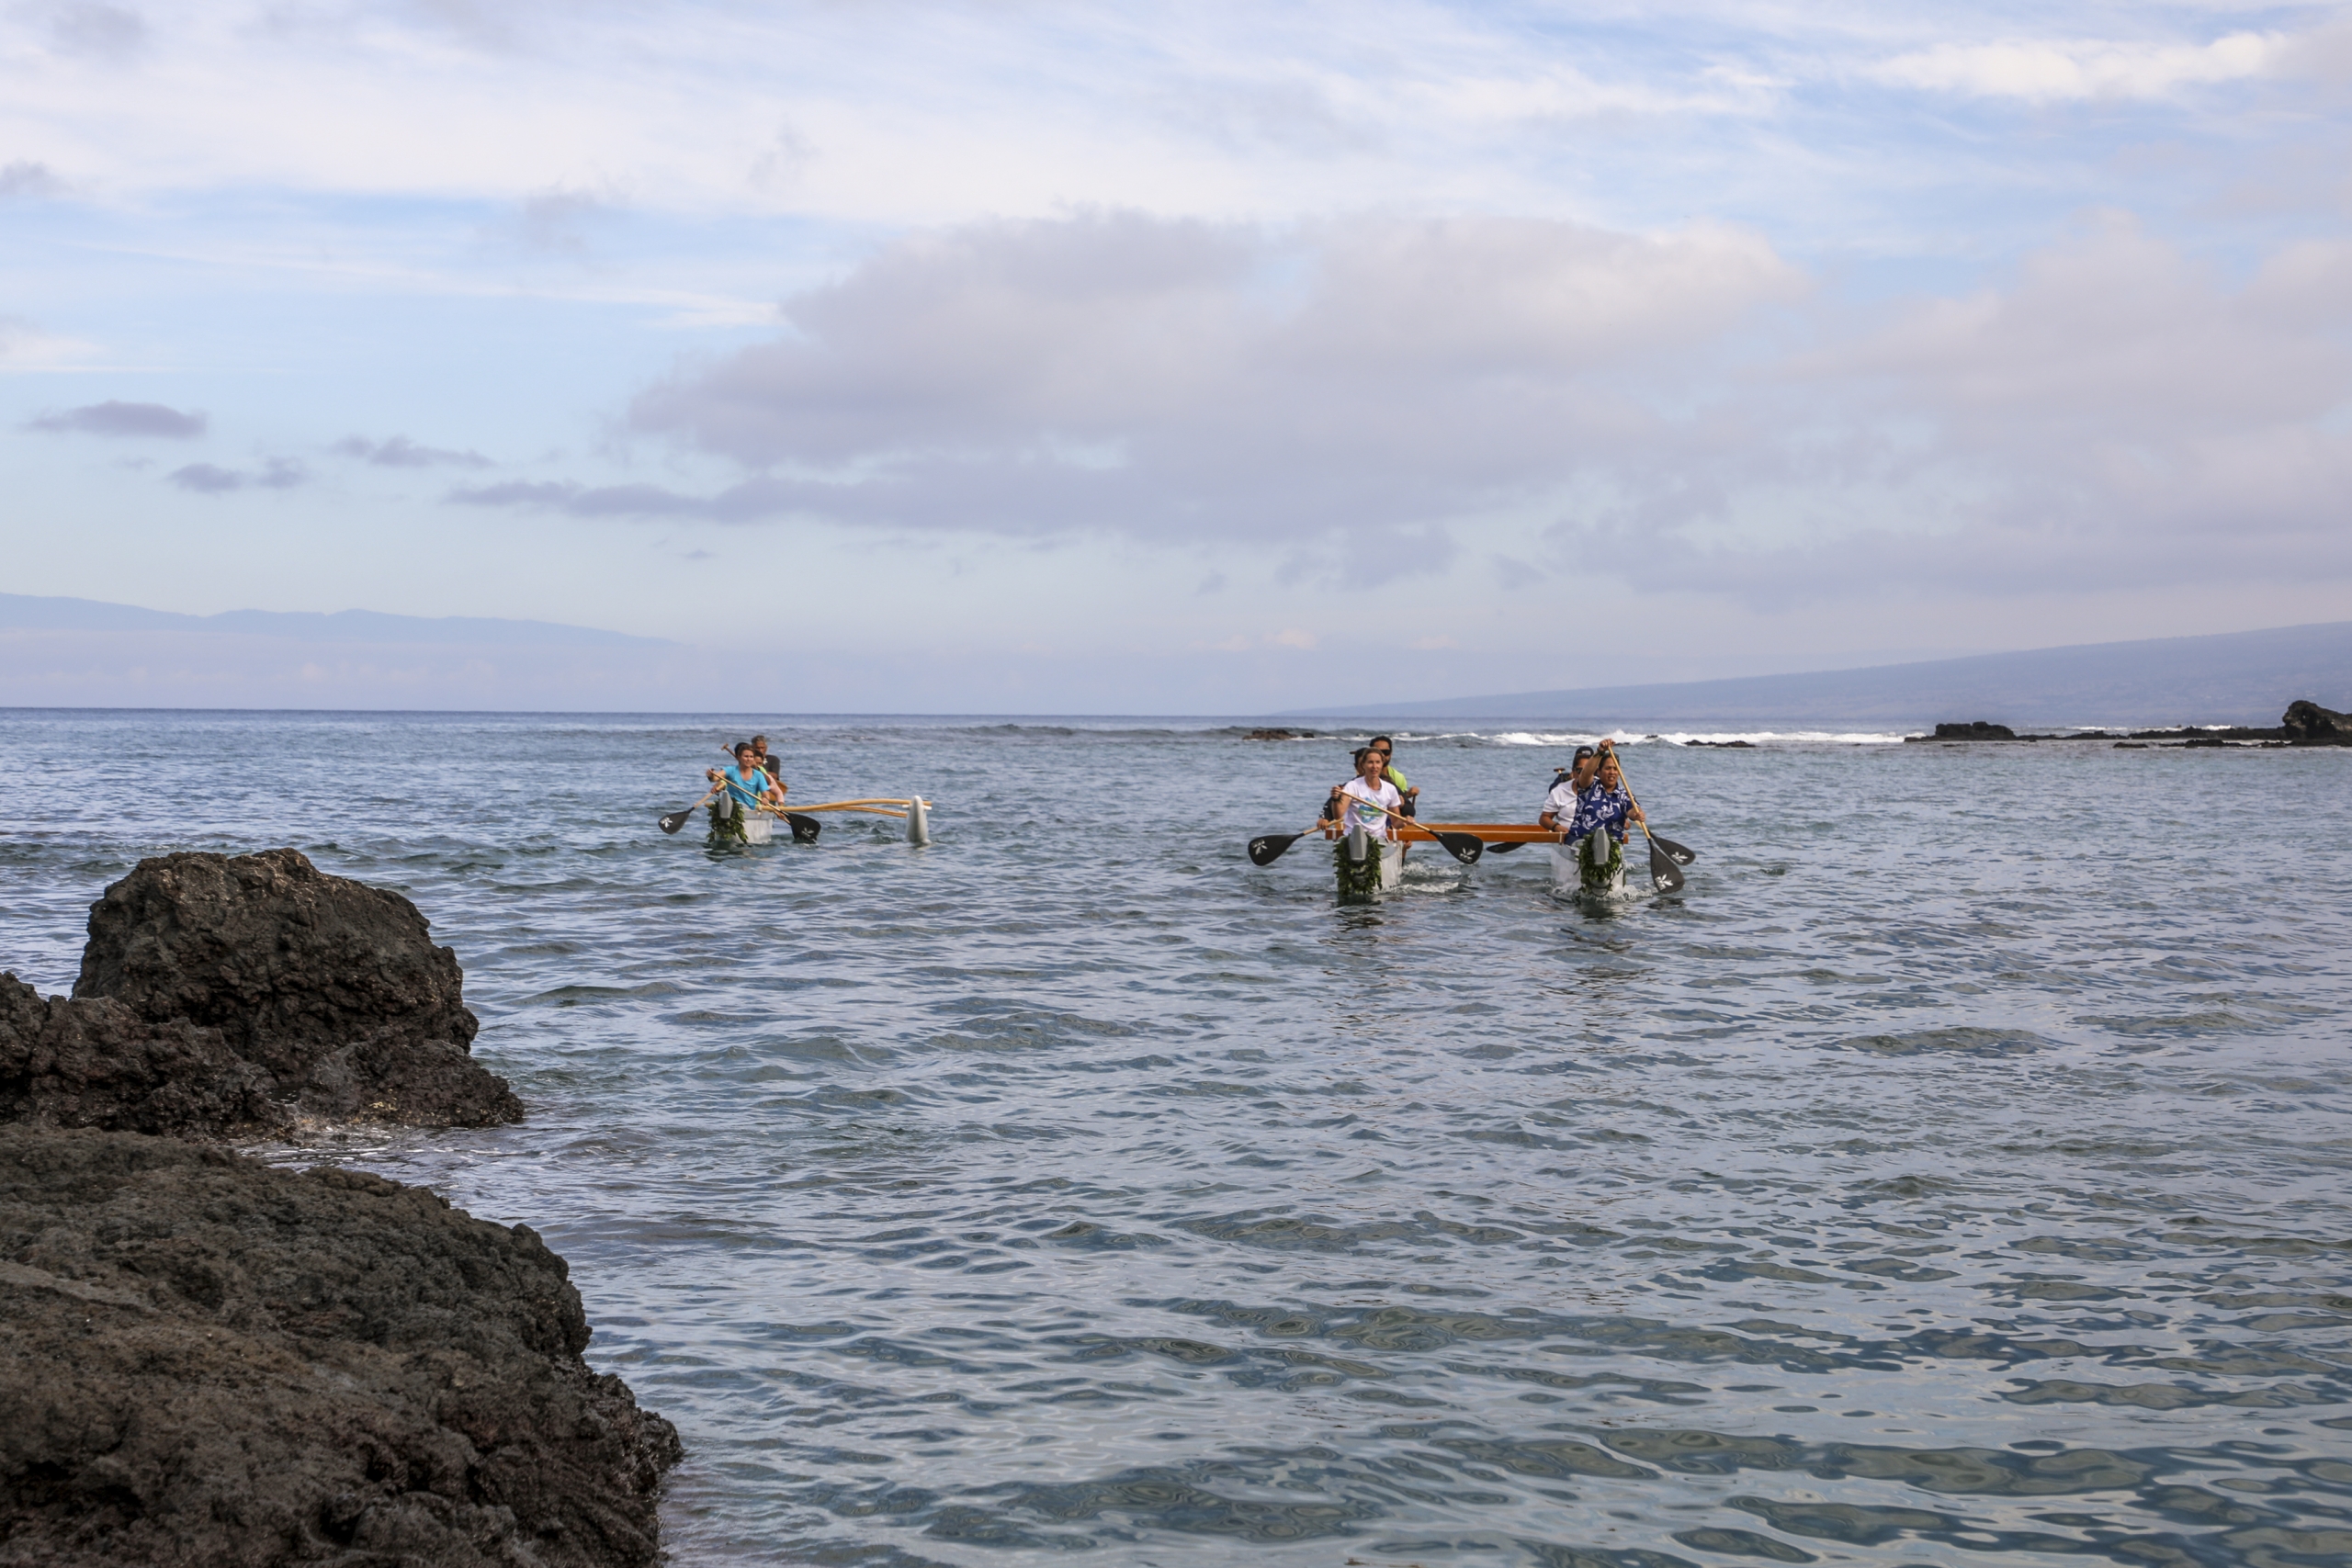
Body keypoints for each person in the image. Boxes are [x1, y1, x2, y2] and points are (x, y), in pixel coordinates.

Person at [1321, 746, 1403, 897]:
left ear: (1382, 764)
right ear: (1363, 765)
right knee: (1354, 837)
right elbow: (1339, 814)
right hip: (1352, 839)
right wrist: (1335, 799)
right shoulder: (1352, 786)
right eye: (1370, 762)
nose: (1374, 766)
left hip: (1378, 840)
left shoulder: (1390, 789)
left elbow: (1396, 822)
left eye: (1378, 762)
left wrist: (1405, 822)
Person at [1564, 750, 1645, 892]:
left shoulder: (1624, 795)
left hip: (1612, 845)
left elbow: (1632, 810)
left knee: (1609, 844)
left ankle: (1609, 881)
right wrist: (1599, 752)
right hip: (1581, 841)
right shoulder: (1587, 786)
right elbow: (1585, 774)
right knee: (1588, 842)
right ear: (1599, 771)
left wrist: (1637, 814)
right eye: (1608, 768)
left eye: (1615, 769)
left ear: (1619, 773)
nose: (1612, 772)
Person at [705, 741, 784, 841]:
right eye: (746, 756)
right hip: (732, 809)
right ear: (738, 757)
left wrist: (765, 799)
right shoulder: (730, 770)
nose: (749, 759)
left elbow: (765, 794)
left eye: (751, 757)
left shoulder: (758, 775)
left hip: (749, 810)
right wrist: (711, 775)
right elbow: (715, 778)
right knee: (724, 797)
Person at [1538, 744, 1599, 834]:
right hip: (1569, 837)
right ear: (1573, 771)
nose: (1584, 774)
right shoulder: (1559, 790)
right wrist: (1556, 827)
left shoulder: (1603, 787)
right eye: (1580, 771)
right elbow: (1544, 818)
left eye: (1589, 770)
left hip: (1596, 835)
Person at [1365, 736, 1419, 818]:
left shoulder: (1398, 777)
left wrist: (1408, 795)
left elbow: (1402, 801)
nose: (1382, 755)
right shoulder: (1363, 776)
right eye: (1378, 752)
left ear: (1391, 753)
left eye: (1386, 752)